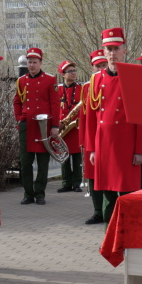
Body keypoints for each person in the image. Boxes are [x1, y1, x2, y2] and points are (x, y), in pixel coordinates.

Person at [83, 28, 142, 222]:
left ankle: (132, 236)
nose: (112, 53)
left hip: (126, 145)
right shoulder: (96, 79)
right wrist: (92, 149)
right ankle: (110, 239)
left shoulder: (134, 77)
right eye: (108, 49)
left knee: (129, 195)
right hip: (104, 145)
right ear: (103, 52)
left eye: (116, 48)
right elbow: (91, 117)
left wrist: (140, 149)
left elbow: (141, 118)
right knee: (108, 197)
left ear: (124, 51)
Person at [13, 47, 59, 205]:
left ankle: (40, 194)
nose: (31, 65)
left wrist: (55, 126)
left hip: (43, 127)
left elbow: (54, 104)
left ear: (40, 62)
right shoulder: (21, 81)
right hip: (27, 127)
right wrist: (20, 118)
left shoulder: (50, 79)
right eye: (29, 62)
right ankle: (28, 194)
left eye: (34, 62)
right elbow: (17, 101)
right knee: (25, 162)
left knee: (43, 162)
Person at [81, 50, 107, 224]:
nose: (100, 69)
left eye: (103, 65)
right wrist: (83, 141)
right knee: (92, 176)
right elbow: (85, 117)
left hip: (108, 138)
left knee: (108, 176)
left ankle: (108, 210)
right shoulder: (87, 87)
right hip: (93, 138)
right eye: (97, 66)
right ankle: (98, 210)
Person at [56, 60, 83, 193]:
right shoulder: (58, 90)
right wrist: (58, 123)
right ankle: (66, 183)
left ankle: (77, 183)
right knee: (64, 157)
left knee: (77, 156)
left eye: (74, 71)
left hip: (76, 128)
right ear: (63, 74)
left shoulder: (81, 89)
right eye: (70, 71)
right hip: (63, 127)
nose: (73, 73)